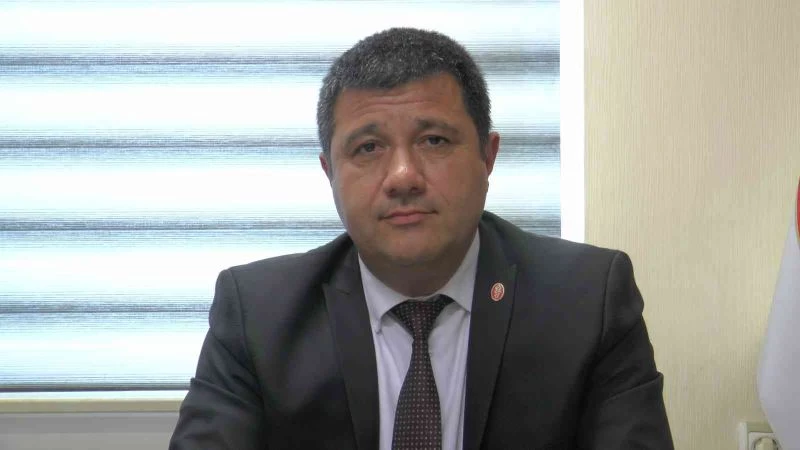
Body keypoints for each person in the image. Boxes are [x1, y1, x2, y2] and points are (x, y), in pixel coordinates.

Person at [170, 27, 673, 449]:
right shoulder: (259, 315)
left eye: (434, 140)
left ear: (488, 156)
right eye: (368, 148)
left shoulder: (588, 299)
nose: (403, 176)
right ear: (329, 173)